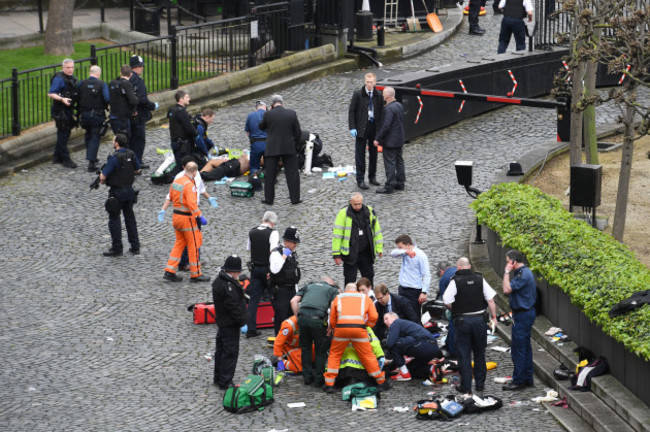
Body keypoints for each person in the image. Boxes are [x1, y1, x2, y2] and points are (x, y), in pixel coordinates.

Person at [443, 257, 498, 394]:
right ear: (469, 266)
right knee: (480, 353)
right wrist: (494, 317)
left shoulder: (455, 281)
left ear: (458, 267)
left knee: (464, 354)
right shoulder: (480, 279)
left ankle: (466, 386)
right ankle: (480, 384)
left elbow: (446, 300)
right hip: (480, 321)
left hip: (463, 322)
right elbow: (490, 300)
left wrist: (455, 310)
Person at [324, 283, 391, 394]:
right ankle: (381, 382)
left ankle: (329, 385)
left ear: (346, 290)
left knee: (335, 355)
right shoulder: (364, 298)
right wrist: (367, 325)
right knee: (367, 355)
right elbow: (374, 316)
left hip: (341, 329)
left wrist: (335, 327)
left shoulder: (338, 298)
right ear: (356, 290)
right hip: (359, 329)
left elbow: (332, 319)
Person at [158, 156, 218, 271]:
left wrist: (209, 198)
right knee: (194, 244)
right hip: (188, 217)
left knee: (179, 244)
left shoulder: (178, 180)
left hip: (177, 217)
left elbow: (171, 195)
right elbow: (192, 204)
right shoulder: (189, 184)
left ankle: (170, 270)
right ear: (194, 172)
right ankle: (195, 271)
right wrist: (200, 216)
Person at [290, 277, 340, 387]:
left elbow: (293, 301)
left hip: (303, 318)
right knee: (320, 350)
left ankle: (307, 377)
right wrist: (331, 325)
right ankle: (319, 380)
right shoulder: (332, 290)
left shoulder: (308, 286)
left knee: (305, 348)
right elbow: (333, 307)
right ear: (331, 284)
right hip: (318, 320)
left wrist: (297, 318)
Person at [99, 134, 140, 256]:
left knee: (114, 219)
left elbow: (103, 176)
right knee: (130, 218)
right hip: (129, 191)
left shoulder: (114, 157)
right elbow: (137, 170)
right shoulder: (131, 154)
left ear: (116, 143)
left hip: (117, 192)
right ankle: (135, 246)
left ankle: (117, 248)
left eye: (113, 140)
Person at [502, 249, 537, 391]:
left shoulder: (523, 274)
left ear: (513, 262)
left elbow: (506, 289)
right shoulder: (524, 272)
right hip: (526, 313)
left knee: (518, 349)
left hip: (522, 315)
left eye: (507, 261)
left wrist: (506, 272)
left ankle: (518, 380)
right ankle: (528, 378)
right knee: (526, 347)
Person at [259, 94, 302, 205]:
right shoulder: (291, 113)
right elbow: (298, 132)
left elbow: (261, 126)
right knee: (292, 174)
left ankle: (269, 199)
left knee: (270, 175)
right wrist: (295, 144)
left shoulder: (268, 114)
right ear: (282, 103)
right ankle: (295, 198)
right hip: (289, 147)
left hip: (273, 148)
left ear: (272, 104)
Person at [212, 255, 248, 389]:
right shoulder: (229, 286)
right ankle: (226, 381)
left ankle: (218, 377)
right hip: (230, 324)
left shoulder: (219, 281)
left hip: (222, 323)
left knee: (220, 351)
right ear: (233, 272)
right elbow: (234, 307)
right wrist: (243, 321)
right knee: (230, 352)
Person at [332, 192, 383, 285]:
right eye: (355, 204)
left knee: (369, 279)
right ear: (350, 202)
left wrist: (379, 248)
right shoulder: (343, 214)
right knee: (349, 280)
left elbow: (377, 230)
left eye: (359, 204)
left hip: (366, 253)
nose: (358, 206)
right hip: (350, 254)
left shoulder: (369, 211)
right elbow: (337, 235)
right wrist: (336, 254)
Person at [245, 211, 280, 338]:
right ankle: (279, 324)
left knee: (254, 300)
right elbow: (273, 251)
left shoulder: (252, 231)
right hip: (267, 269)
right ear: (272, 222)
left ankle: (251, 329)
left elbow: (248, 248)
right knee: (275, 297)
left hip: (254, 269)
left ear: (263, 219)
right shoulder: (273, 233)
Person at [383, 312, 443, 381]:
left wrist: (383, 343)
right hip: (432, 348)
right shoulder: (405, 326)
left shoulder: (396, 322)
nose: (385, 322)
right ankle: (431, 368)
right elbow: (398, 354)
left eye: (386, 318)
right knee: (410, 368)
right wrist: (388, 368)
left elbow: (390, 344)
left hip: (423, 344)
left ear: (394, 318)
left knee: (390, 343)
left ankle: (404, 374)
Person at [348, 72, 383, 189]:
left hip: (373, 126)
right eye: (367, 82)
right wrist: (352, 127)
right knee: (360, 155)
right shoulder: (358, 94)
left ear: (375, 82)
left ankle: (372, 176)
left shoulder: (378, 94)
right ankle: (360, 179)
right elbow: (352, 111)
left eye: (371, 82)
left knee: (374, 153)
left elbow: (381, 113)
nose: (369, 84)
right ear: (365, 82)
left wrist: (380, 130)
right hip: (361, 127)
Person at [269, 226, 302, 334]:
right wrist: (283, 256)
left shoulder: (292, 253)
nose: (295, 245)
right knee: (281, 319)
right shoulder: (276, 253)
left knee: (291, 318)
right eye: (294, 243)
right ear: (287, 241)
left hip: (291, 290)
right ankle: (279, 344)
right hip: (281, 292)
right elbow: (274, 269)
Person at [77, 65, 109, 172]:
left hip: (84, 116)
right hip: (96, 116)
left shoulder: (82, 83)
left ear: (89, 72)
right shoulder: (101, 84)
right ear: (98, 74)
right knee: (95, 137)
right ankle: (91, 162)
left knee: (88, 134)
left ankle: (91, 155)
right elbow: (107, 98)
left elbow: (77, 96)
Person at [373, 87, 405, 194]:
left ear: (387, 96)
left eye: (383, 94)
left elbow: (386, 125)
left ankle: (389, 185)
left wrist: (377, 138)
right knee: (399, 161)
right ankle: (400, 183)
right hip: (399, 139)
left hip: (390, 141)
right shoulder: (399, 105)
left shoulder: (388, 109)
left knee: (390, 163)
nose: (382, 96)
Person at [390, 234, 431, 317]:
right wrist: (405, 251)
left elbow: (427, 275)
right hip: (402, 289)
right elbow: (392, 253)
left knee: (414, 316)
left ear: (408, 245)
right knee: (402, 314)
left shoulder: (421, 255)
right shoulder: (403, 253)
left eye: (400, 247)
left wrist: (424, 292)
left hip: (414, 291)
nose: (399, 249)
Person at [48, 58, 78, 168]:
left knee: (65, 133)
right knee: (63, 134)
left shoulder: (72, 78)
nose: (70, 70)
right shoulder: (59, 79)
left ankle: (57, 157)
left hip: (68, 110)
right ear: (63, 68)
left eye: (72, 67)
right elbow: (51, 93)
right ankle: (66, 159)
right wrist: (62, 99)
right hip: (60, 110)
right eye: (68, 68)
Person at [128, 54, 158, 169]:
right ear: (133, 68)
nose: (142, 68)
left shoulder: (128, 79)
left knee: (132, 139)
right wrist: (152, 106)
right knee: (139, 139)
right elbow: (142, 100)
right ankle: (137, 161)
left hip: (130, 114)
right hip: (139, 114)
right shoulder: (138, 81)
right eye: (139, 66)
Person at [108, 65, 139, 145]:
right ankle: (123, 156)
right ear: (131, 74)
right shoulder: (127, 84)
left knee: (117, 139)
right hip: (123, 119)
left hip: (113, 117)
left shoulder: (112, 83)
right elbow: (133, 100)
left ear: (120, 73)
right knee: (124, 142)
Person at [168, 90, 198, 171]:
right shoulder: (181, 112)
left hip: (174, 141)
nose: (189, 99)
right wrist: (196, 133)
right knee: (184, 165)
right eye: (187, 97)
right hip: (182, 144)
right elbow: (188, 127)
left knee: (179, 163)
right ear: (181, 99)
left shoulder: (172, 109)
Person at [437, 261, 458, 357]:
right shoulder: (457, 269)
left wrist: (451, 311)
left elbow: (445, 300)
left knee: (453, 324)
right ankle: (448, 343)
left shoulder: (444, 279)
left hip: (457, 305)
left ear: (441, 271)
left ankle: (453, 350)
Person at [245, 100, 267, 174]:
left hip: (255, 144)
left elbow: (247, 132)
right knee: (269, 166)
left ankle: (254, 179)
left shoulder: (250, 116)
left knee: (254, 167)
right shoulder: (269, 114)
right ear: (265, 107)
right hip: (268, 144)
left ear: (256, 108)